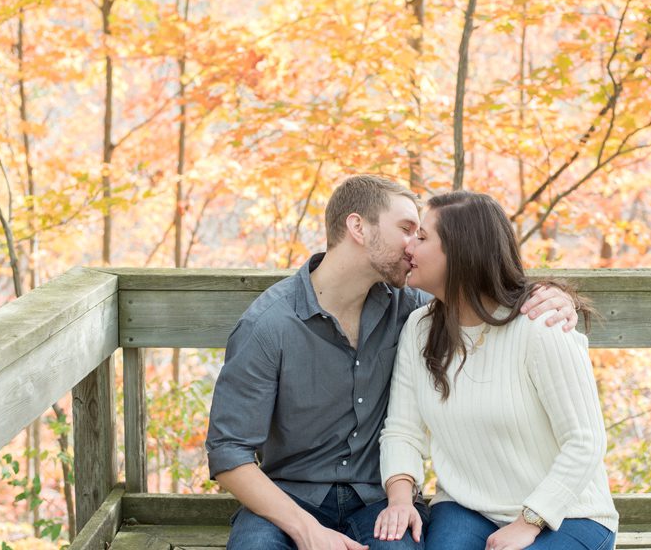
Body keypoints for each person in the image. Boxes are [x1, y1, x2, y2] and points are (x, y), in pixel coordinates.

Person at [206, 176, 581, 550]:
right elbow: (228, 452)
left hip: (379, 499)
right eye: (406, 229)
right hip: (288, 499)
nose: (413, 245)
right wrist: (307, 531)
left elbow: (483, 289)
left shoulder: (414, 311)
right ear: (357, 227)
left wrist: (556, 298)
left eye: (421, 234)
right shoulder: (269, 325)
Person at [375, 191, 618, 550]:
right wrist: (400, 500)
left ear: (462, 253)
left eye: (423, 237)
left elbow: (586, 441)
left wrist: (528, 521)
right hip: (466, 506)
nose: (409, 245)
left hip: (569, 513)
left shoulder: (541, 325)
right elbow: (402, 431)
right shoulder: (419, 329)